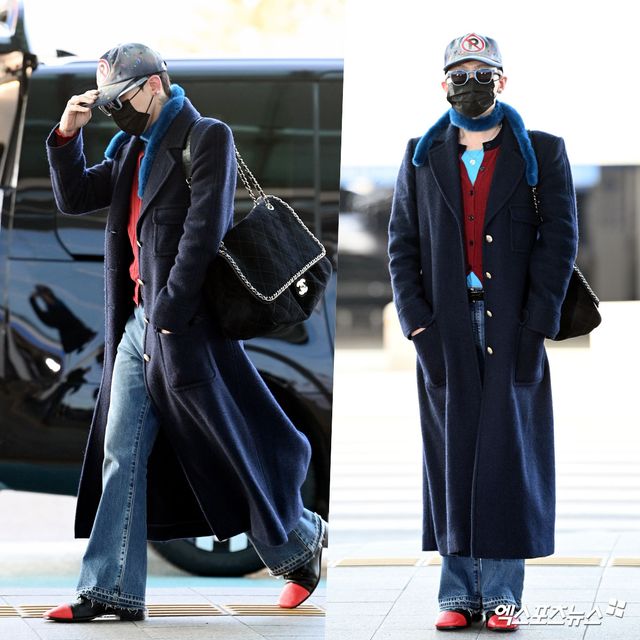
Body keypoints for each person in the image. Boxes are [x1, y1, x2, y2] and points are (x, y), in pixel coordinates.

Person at [42, 43, 327, 623]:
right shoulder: (129, 146)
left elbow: (204, 233)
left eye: (122, 98)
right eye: (108, 103)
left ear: (154, 85)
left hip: (184, 328)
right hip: (136, 326)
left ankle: (300, 542)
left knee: (229, 447)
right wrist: (68, 136)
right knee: (121, 452)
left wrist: (169, 314)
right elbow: (75, 198)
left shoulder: (206, 137)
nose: (116, 111)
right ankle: (109, 589)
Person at [388, 33, 578, 632]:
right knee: (450, 459)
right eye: (460, 73)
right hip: (443, 328)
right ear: (444, 84)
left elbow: (560, 243)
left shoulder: (541, 152)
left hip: (513, 327)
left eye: (482, 72)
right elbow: (401, 246)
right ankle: (456, 595)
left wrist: (537, 324)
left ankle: (499, 596)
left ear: (502, 80)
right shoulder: (422, 154)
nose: (471, 82)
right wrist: (418, 324)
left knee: (505, 461)